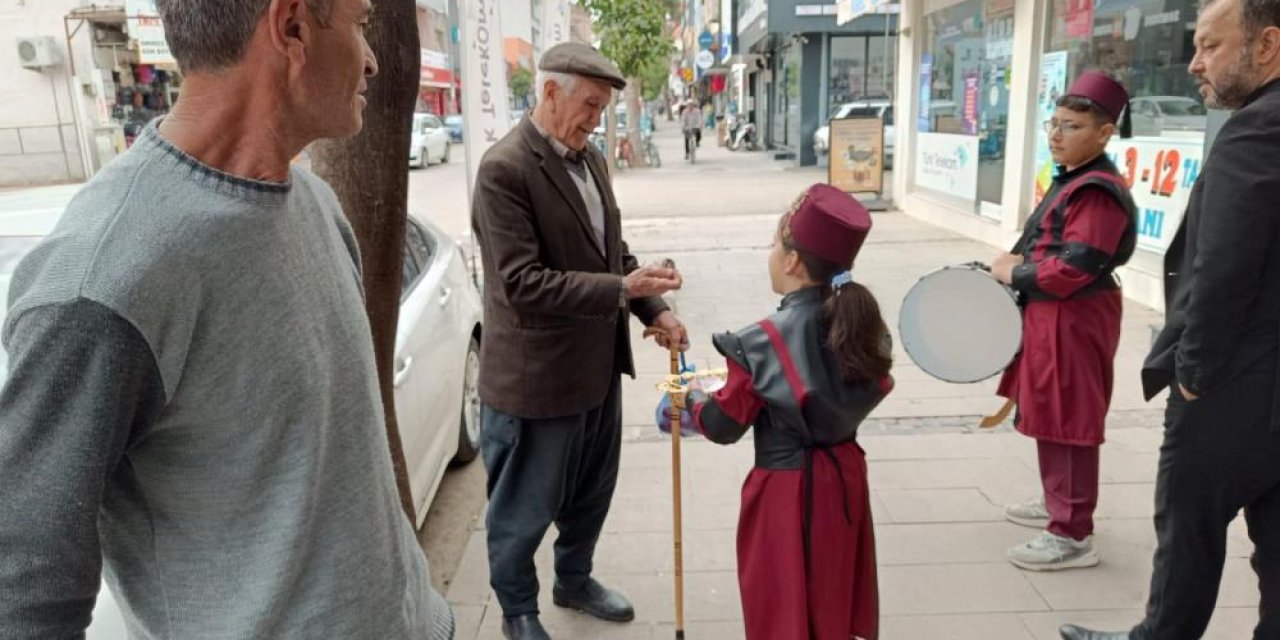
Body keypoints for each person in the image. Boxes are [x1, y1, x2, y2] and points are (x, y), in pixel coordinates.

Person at [0, 0, 455, 638]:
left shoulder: (316, 206)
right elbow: (25, 590)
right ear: (293, 27)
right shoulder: (104, 281)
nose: (374, 59)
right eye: (360, 24)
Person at [1061, 1, 1280, 638]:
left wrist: (1193, 372)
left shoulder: (1255, 131)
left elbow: (1224, 267)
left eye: (1211, 46)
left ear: (1266, 46)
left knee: (1187, 531)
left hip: (1235, 384)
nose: (1194, 62)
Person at [470, 42, 688, 640]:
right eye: (589, 104)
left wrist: (655, 307)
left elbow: (612, 253)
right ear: (549, 92)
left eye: (603, 106)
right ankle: (518, 610)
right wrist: (622, 288)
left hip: (596, 369)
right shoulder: (504, 170)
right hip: (535, 382)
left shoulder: (590, 160)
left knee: (591, 493)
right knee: (522, 510)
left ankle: (574, 579)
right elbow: (522, 283)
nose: (596, 118)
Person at [668, 184, 893, 640]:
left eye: (775, 244)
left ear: (791, 261)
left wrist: (687, 398)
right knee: (831, 595)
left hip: (786, 491)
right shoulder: (859, 324)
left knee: (780, 601)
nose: (770, 253)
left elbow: (723, 424)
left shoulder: (761, 341)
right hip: (844, 480)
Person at [989, 70, 1139, 573]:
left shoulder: (1095, 190)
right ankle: (1059, 502)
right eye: (1054, 124)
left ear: (1103, 134)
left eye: (1071, 126)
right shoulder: (1075, 179)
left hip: (1074, 316)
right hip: (1055, 313)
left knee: (1070, 415)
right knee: (1051, 410)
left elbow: (1077, 266)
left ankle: (1072, 531)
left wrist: (1017, 271)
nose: (1056, 134)